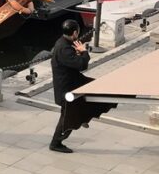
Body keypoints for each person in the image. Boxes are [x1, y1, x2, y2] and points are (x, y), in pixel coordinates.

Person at [49, 19, 116, 153]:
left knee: (96, 87)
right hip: (67, 89)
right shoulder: (64, 48)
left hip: (72, 82)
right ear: (75, 33)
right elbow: (82, 65)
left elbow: (71, 62)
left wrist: (77, 53)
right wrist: (84, 52)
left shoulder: (63, 43)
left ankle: (86, 115)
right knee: (68, 118)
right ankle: (56, 143)